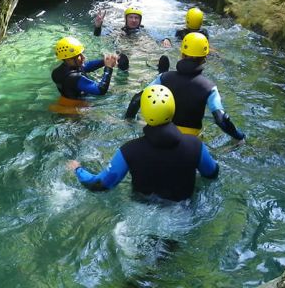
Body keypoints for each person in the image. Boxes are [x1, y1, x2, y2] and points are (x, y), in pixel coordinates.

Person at [67, 85, 219, 201]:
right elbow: (212, 174)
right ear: (172, 109)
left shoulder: (129, 150)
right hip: (183, 215)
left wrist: (78, 170)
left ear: (144, 112)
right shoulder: (196, 146)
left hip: (142, 212)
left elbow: (101, 184)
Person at [125, 33, 245, 142]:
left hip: (161, 135)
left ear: (182, 54)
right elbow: (221, 120)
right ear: (205, 58)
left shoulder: (163, 78)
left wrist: (129, 122)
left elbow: (136, 100)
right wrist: (240, 137)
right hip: (191, 141)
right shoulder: (210, 88)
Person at [51, 36, 118, 101]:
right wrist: (108, 68)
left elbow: (85, 66)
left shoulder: (57, 71)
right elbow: (101, 90)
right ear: (68, 59)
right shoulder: (74, 78)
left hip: (66, 100)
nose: (83, 57)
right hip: (77, 108)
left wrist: (104, 61)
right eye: (79, 56)